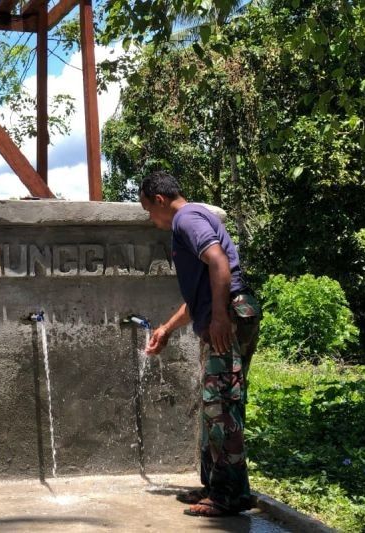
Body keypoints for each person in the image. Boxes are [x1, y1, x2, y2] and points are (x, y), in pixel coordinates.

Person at [140, 170, 261, 517]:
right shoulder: (196, 216)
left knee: (221, 407)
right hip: (232, 310)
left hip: (228, 316)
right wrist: (167, 328)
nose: (151, 218)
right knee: (223, 403)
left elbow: (220, 263)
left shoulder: (186, 220)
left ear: (160, 200)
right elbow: (201, 295)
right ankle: (223, 488)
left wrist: (220, 317)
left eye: (149, 210)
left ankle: (225, 497)